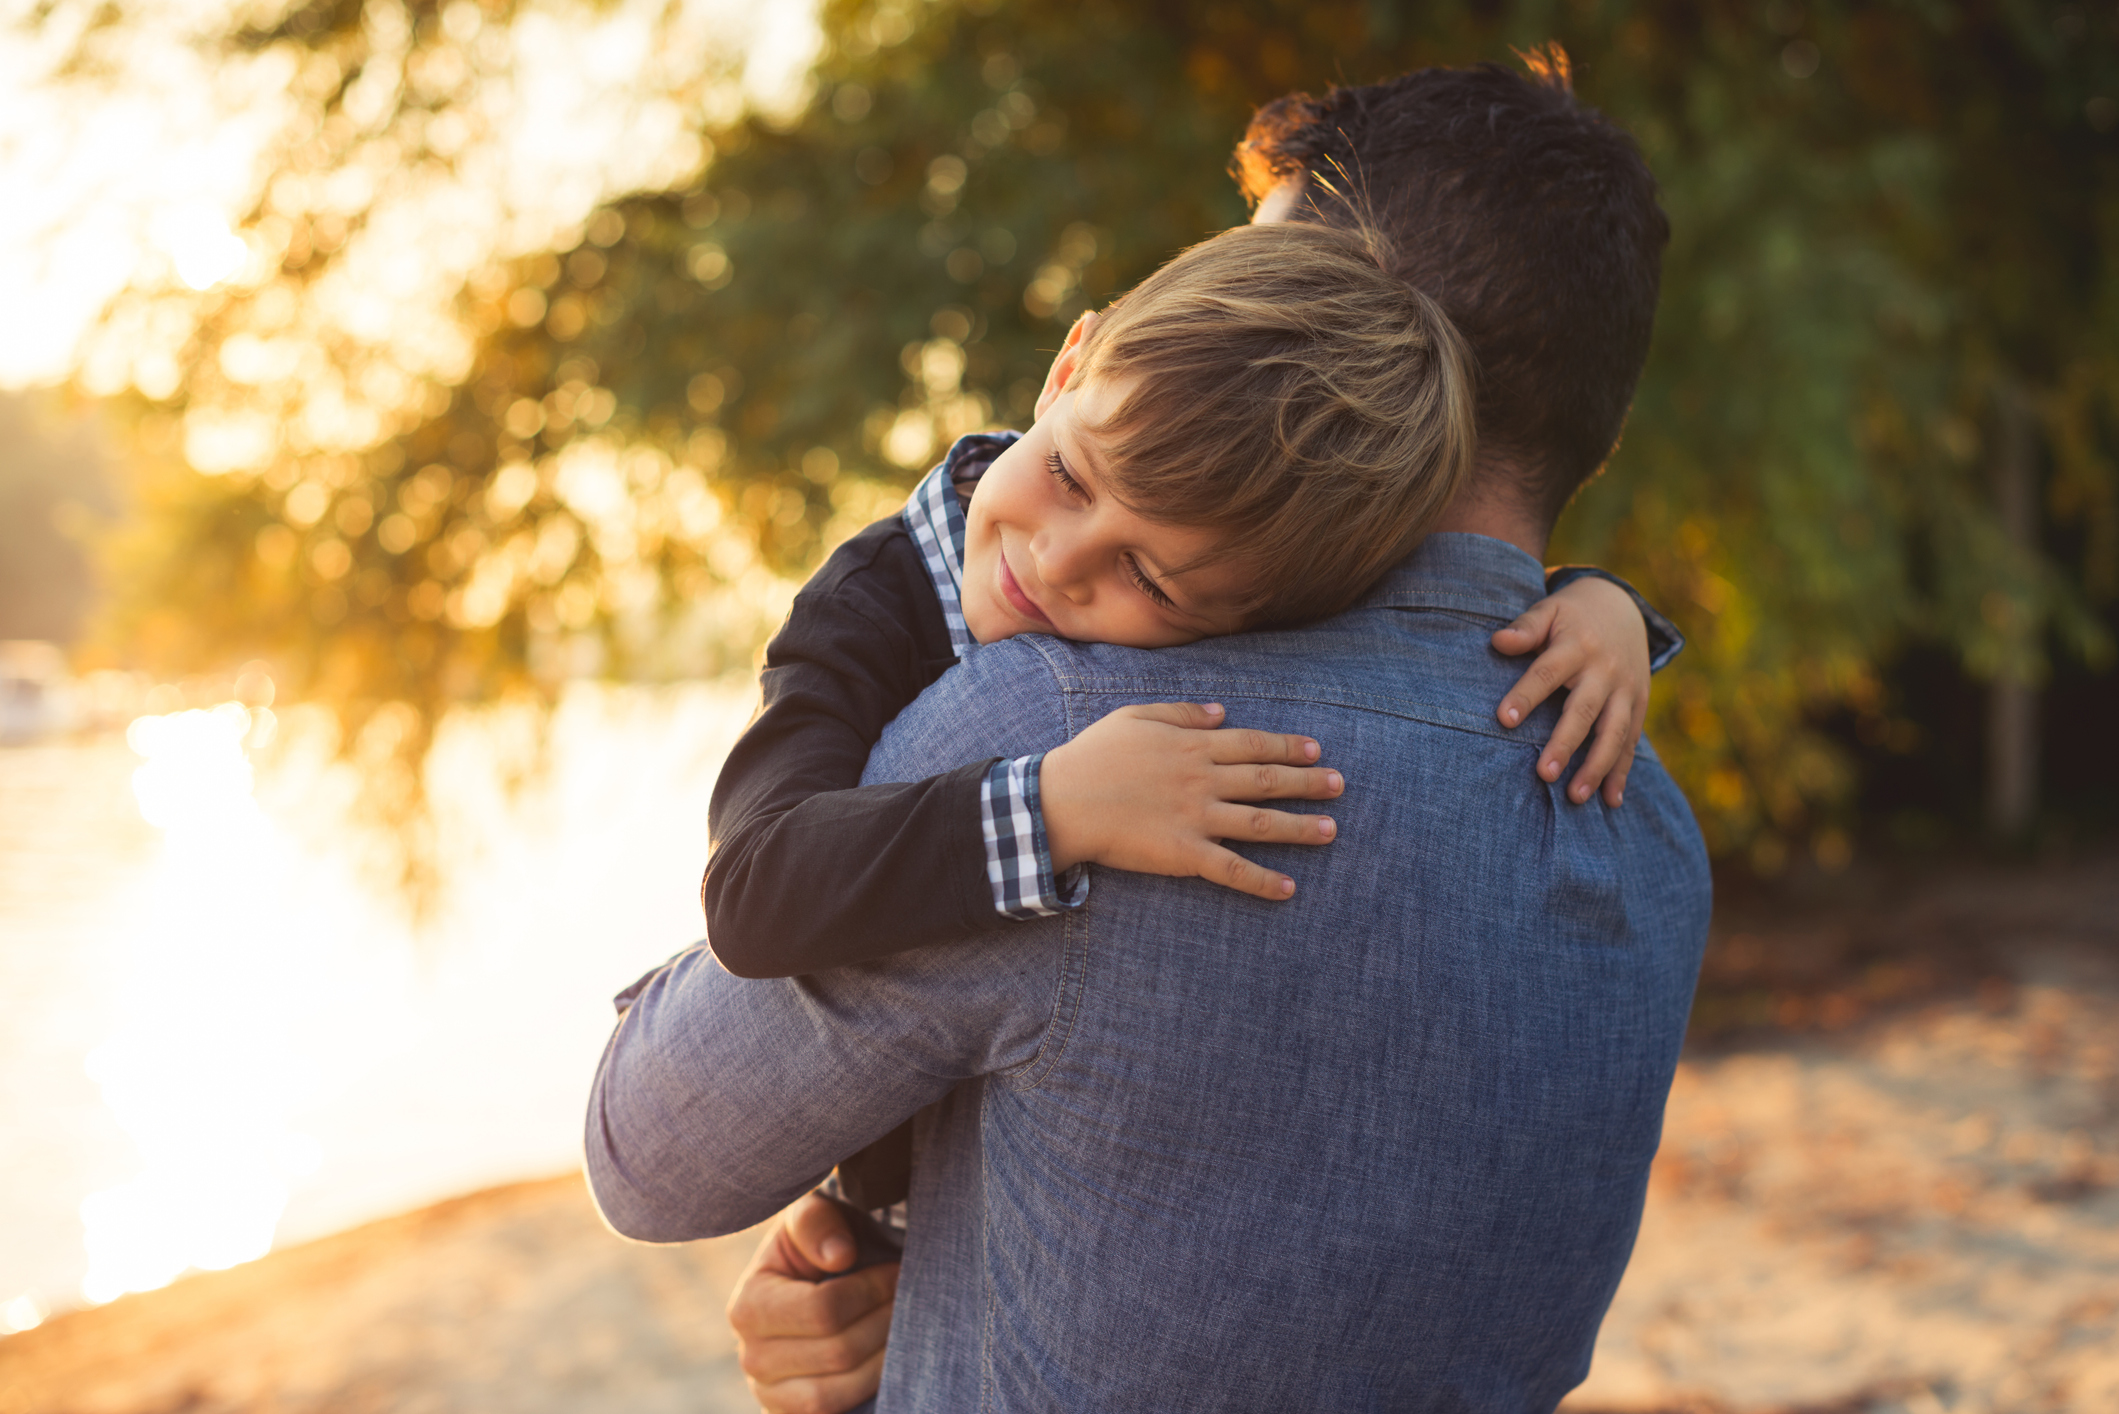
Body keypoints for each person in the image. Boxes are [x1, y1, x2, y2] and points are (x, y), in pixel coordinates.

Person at [589, 52, 1712, 1413]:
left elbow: (647, 1149)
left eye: (1261, 280)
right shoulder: (1638, 818)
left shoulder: (1080, 727)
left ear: (1360, 349)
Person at [703, 220, 1678, 1217]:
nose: (1056, 559)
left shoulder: (1257, 585)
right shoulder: (869, 604)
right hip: (881, 1197)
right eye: (1069, 475)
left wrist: (1604, 608)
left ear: (1265, 621)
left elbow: (1406, 644)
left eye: (1143, 575)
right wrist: (1054, 810)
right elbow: (750, 889)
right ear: (1067, 366)